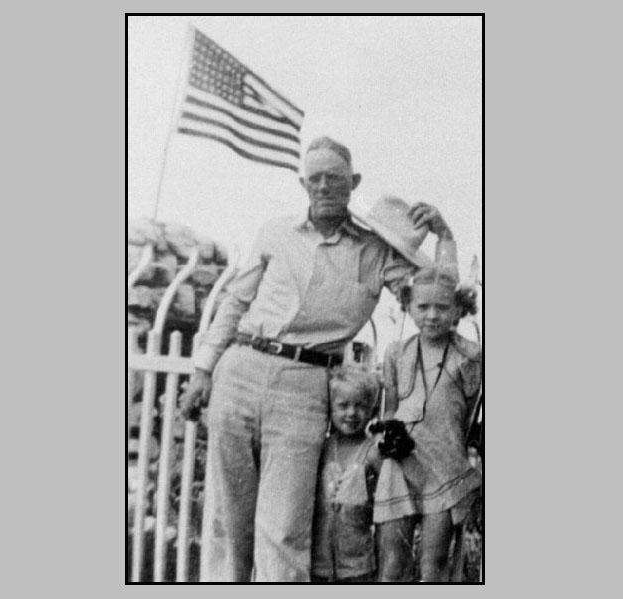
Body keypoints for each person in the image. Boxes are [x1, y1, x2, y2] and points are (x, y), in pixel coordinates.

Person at [178, 136, 455, 582]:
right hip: (241, 367)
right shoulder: (275, 231)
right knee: (227, 518)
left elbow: (439, 298)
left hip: (306, 384)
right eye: (316, 178)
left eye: (336, 179)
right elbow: (234, 301)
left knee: (285, 525)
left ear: (354, 183)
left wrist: (445, 236)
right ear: (303, 182)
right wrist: (202, 370)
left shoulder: (377, 251)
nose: (324, 187)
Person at [372, 267, 482, 582]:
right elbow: (391, 409)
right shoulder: (397, 353)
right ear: (408, 306)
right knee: (392, 561)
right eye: (422, 307)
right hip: (402, 460)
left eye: (442, 307)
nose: (432, 315)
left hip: (445, 465)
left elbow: (471, 416)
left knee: (433, 564)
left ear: (459, 309)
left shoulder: (471, 355)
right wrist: (390, 431)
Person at [311, 367, 382, 583]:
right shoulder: (322, 448)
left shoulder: (372, 452)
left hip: (357, 565)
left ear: (372, 410)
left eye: (360, 406)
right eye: (343, 405)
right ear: (330, 408)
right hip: (318, 563)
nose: (352, 413)